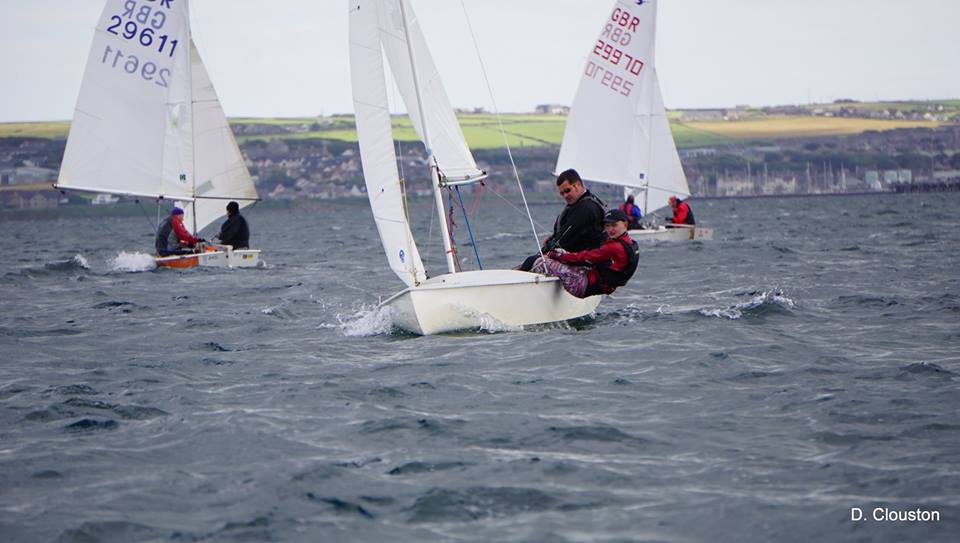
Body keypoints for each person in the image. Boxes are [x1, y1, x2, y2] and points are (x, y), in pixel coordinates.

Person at [531, 209, 639, 298]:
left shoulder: (615, 247)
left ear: (625, 224)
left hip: (582, 286)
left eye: (614, 225)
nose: (610, 229)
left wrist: (555, 255)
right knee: (559, 254)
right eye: (607, 225)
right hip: (596, 284)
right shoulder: (632, 243)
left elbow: (584, 257)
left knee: (539, 260)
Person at [518, 168, 605, 271]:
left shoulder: (586, 208)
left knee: (531, 261)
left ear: (578, 185)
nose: (565, 195)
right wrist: (551, 239)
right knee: (531, 261)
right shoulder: (583, 203)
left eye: (567, 190)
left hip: (583, 264)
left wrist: (545, 252)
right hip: (575, 258)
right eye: (562, 193)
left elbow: (564, 239)